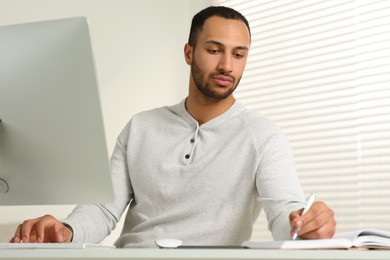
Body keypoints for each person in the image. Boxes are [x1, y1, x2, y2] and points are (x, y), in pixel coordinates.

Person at [10, 6, 336, 247]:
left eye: (238, 55)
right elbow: (102, 211)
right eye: (214, 50)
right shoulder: (141, 127)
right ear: (188, 52)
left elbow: (284, 214)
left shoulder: (263, 136)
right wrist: (65, 230)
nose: (226, 65)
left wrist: (305, 224)